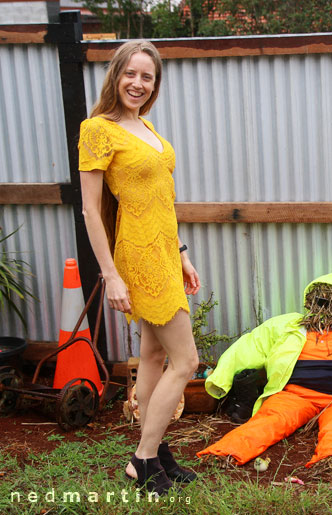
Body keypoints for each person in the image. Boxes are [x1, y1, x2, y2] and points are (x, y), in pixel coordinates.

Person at [78, 40, 200, 496]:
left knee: (152, 356)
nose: (138, 83)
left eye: (147, 76)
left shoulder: (145, 127)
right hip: (139, 257)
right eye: (131, 73)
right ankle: (143, 459)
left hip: (166, 253)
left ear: (155, 84)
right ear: (116, 75)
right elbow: (92, 211)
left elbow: (161, 202)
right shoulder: (98, 130)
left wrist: (182, 251)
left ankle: (158, 450)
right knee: (186, 360)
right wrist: (110, 274)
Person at [197, 270, 332, 479]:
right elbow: (249, 347)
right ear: (311, 302)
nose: (328, 309)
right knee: (271, 420)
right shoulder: (287, 326)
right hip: (295, 395)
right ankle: (225, 453)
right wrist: (220, 379)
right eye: (321, 303)